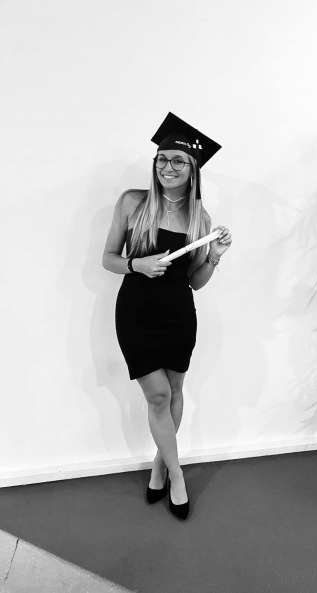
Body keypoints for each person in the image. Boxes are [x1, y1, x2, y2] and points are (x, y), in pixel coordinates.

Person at [102, 112, 232, 520]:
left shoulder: (199, 218)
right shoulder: (132, 202)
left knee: (175, 392)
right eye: (162, 159)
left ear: (193, 170)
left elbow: (195, 281)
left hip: (178, 314)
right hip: (136, 313)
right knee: (157, 395)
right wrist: (137, 265)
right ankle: (177, 476)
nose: (167, 167)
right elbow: (108, 259)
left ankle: (160, 466)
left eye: (177, 161)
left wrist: (213, 257)